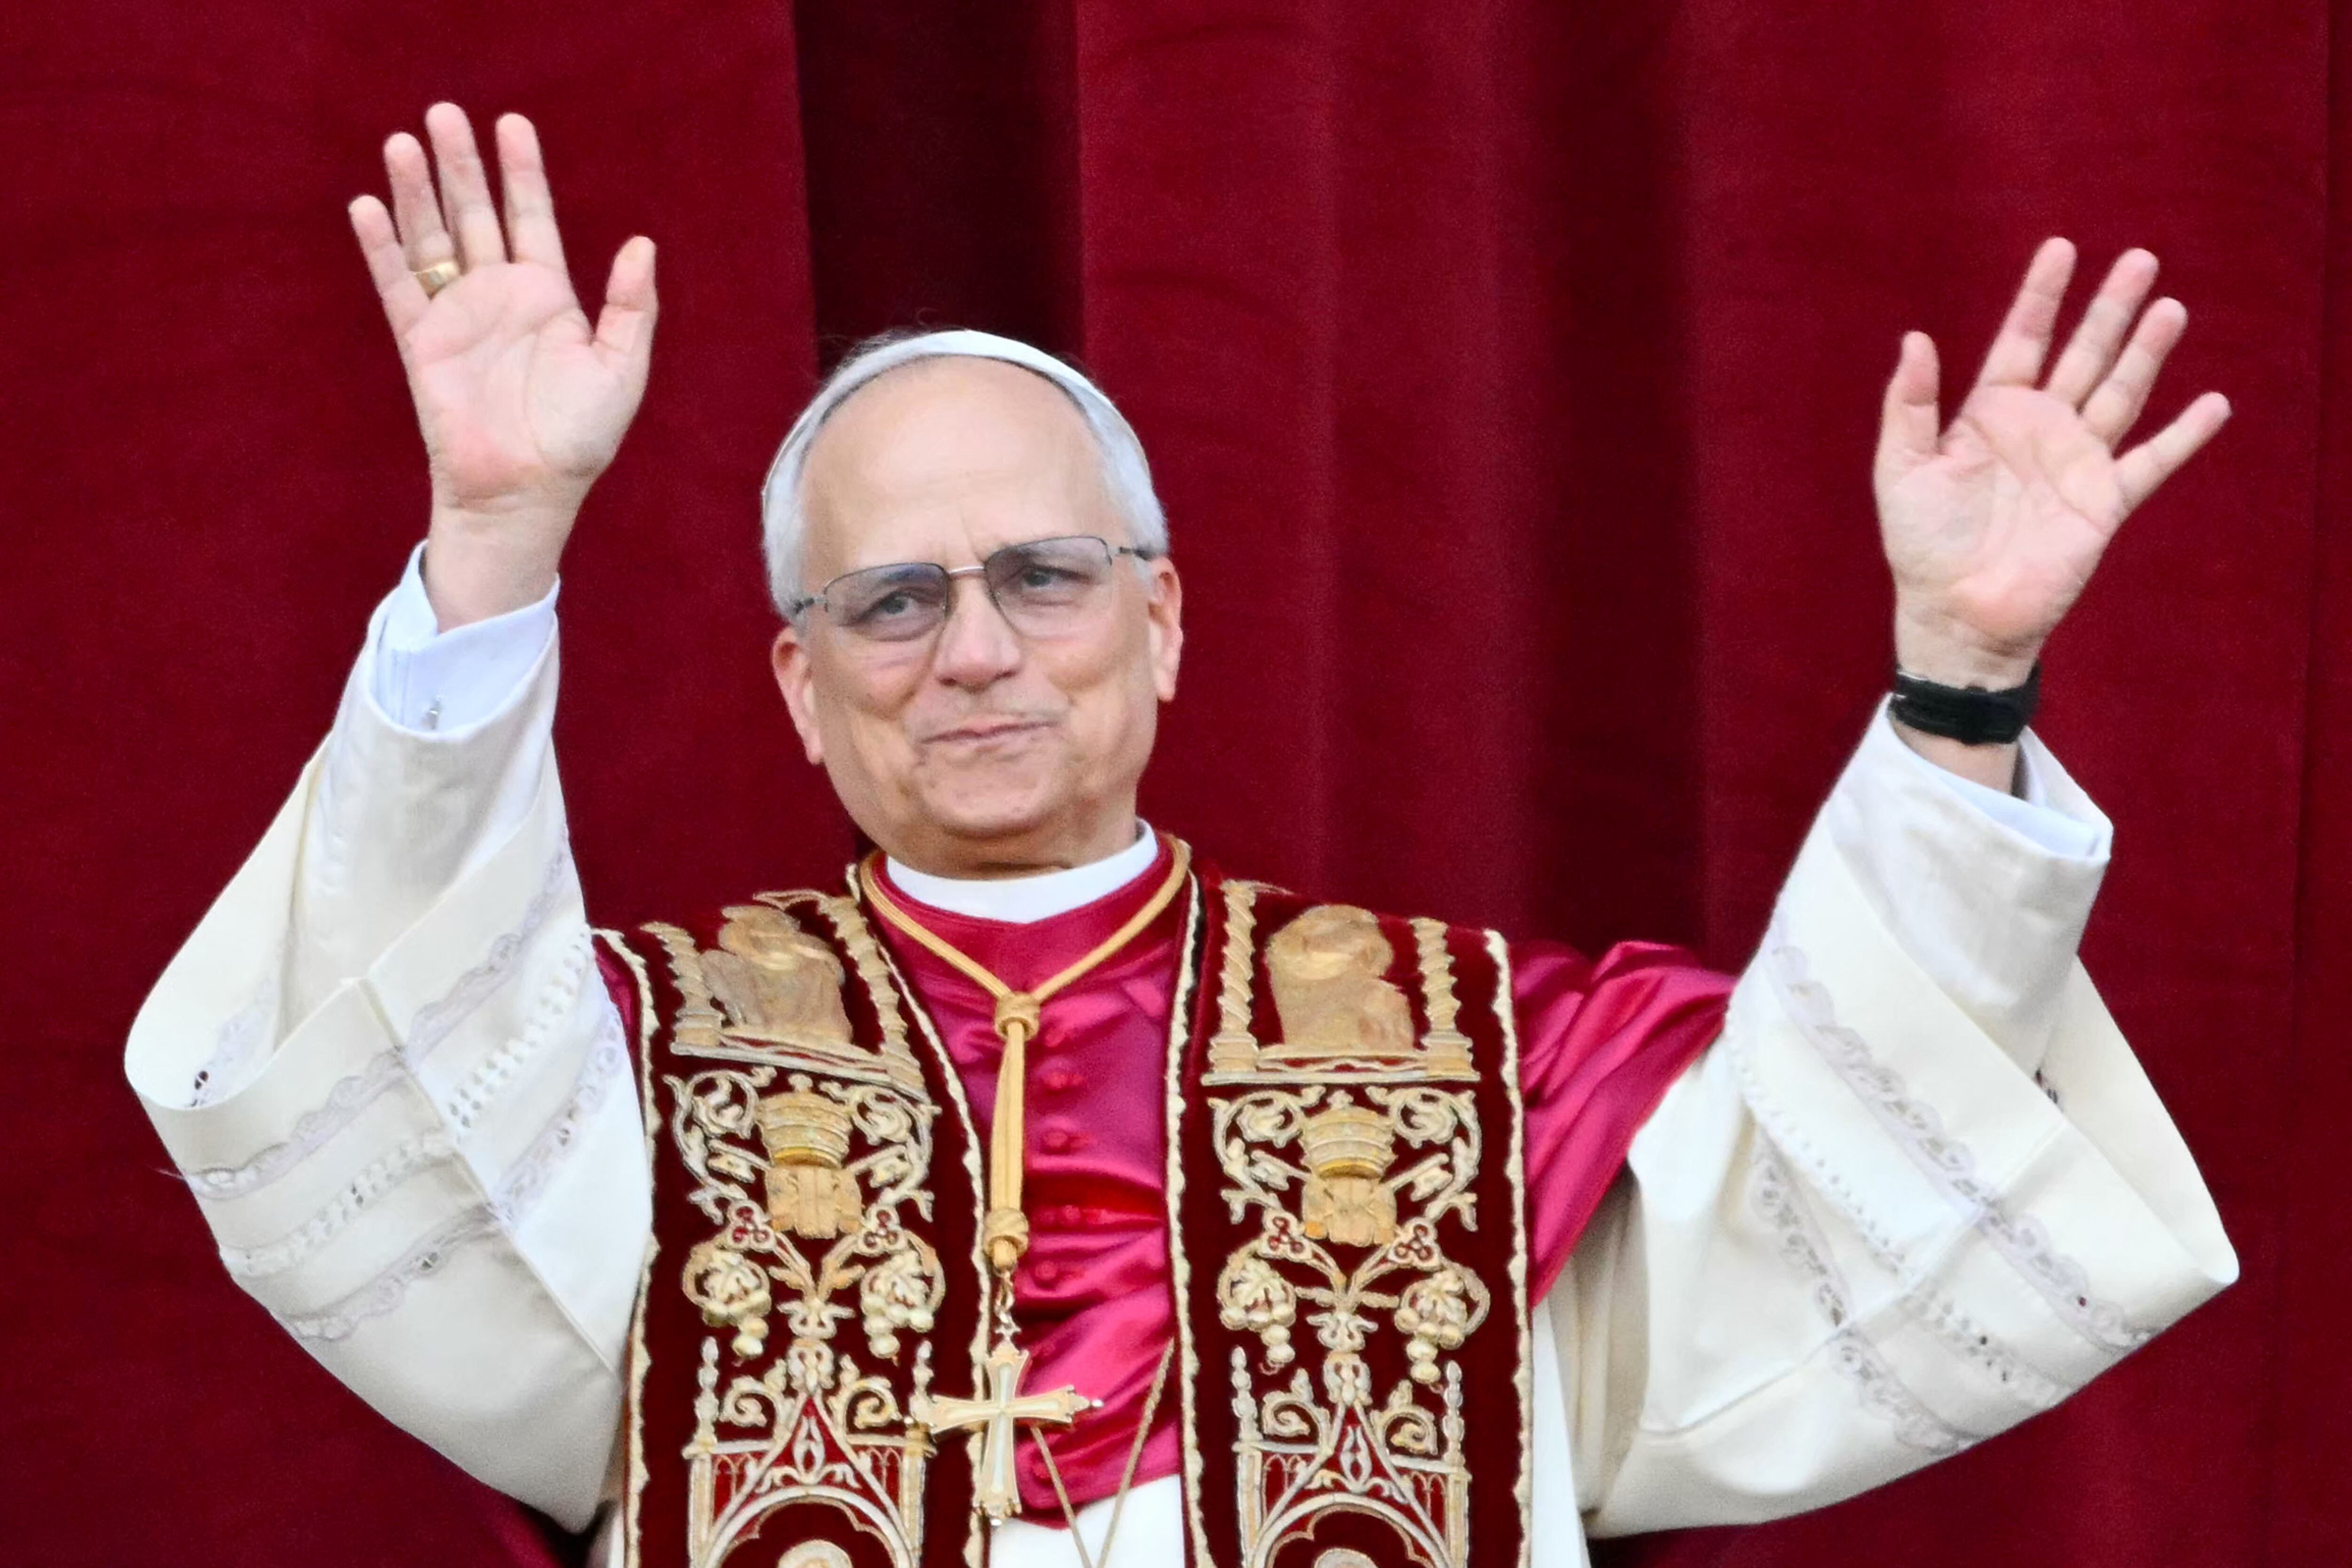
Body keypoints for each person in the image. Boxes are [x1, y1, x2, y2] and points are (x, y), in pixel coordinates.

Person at [125, 103, 2239, 1568]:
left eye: (1041, 575)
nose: (971, 651)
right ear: (796, 682)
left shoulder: (1478, 1056)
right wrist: (494, 548)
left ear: (1161, 619)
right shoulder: (627, 1066)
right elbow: (400, 1154)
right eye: (890, 598)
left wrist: (1958, 683)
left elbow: (1836, 1217)